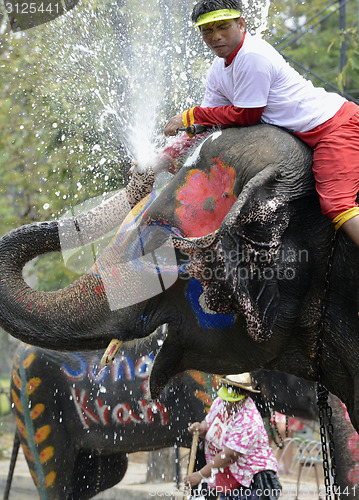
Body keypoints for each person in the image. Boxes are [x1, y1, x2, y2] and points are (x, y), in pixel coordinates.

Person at [161, 0, 359, 249]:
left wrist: (190, 116)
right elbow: (206, 120)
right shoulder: (218, 69)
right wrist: (165, 156)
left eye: (223, 27)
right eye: (207, 31)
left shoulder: (252, 56)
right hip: (311, 134)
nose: (215, 37)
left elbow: (246, 115)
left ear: (241, 24)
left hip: (335, 128)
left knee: (337, 204)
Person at [184, 373, 281, 500]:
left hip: (252, 481)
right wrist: (201, 428)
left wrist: (201, 475)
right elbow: (209, 422)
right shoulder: (220, 402)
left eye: (233, 401)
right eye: (226, 399)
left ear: (245, 396)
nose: (228, 405)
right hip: (231, 478)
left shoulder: (249, 419)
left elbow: (228, 455)